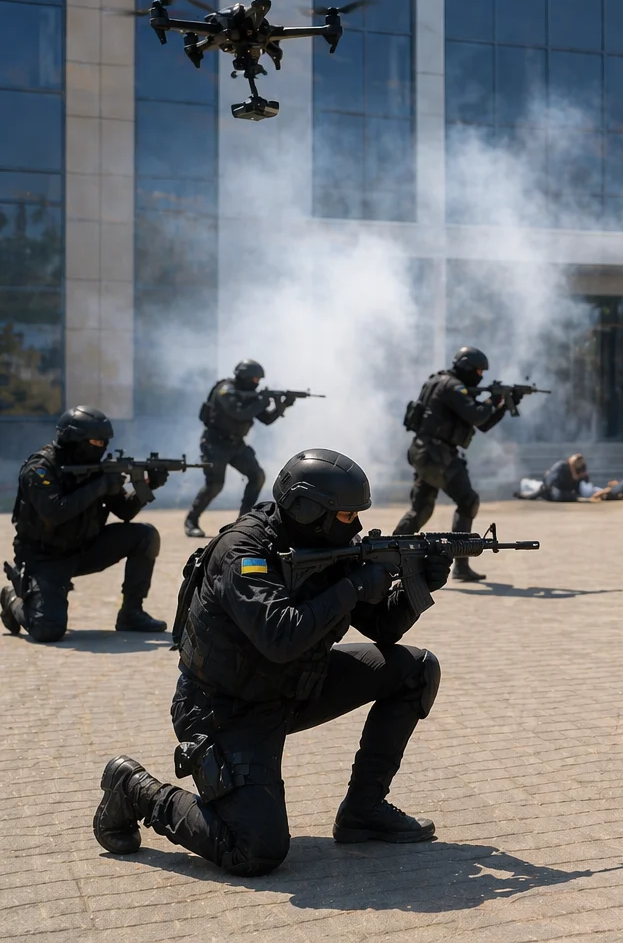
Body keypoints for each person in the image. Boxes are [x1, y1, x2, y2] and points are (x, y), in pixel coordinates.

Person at [91, 449, 449, 878]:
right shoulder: (244, 552)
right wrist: (354, 587)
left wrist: (419, 585)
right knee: (255, 851)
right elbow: (280, 636)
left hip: (295, 685)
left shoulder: (328, 546)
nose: (355, 526)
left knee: (415, 670)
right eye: (346, 515)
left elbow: (383, 629)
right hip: (224, 711)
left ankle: (364, 810)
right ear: (309, 510)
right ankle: (135, 790)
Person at [1, 406, 168, 641]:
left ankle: (131, 613)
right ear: (74, 439)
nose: (102, 447)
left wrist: (148, 485)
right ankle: (12, 599)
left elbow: (125, 511)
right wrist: (100, 485)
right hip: (45, 558)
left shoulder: (96, 470)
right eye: (96, 442)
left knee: (145, 536)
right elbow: (54, 513)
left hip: (84, 549)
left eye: (104, 442)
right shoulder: (40, 469)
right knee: (48, 629)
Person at [394, 346, 508, 581]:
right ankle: (460, 565)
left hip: (427, 452)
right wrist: (494, 399)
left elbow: (483, 423)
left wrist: (504, 404)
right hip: (436, 454)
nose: (480, 376)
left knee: (421, 509)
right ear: (466, 367)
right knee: (468, 501)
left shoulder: (442, 381)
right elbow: (477, 415)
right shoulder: (452, 386)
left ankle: (391, 556)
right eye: (478, 371)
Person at [185, 359, 292, 538]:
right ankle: (191, 520)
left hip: (237, 445)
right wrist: (262, 401)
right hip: (215, 444)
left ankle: (243, 520)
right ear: (245, 376)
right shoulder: (225, 390)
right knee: (215, 485)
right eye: (255, 379)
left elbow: (266, 419)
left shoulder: (252, 397)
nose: (257, 383)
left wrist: (283, 405)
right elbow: (239, 412)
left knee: (257, 476)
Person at [519, 453, 591, 502]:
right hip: (547, 488)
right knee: (531, 485)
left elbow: (580, 487)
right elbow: (549, 485)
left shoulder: (579, 473)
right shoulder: (561, 467)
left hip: (562, 489)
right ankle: (524, 484)